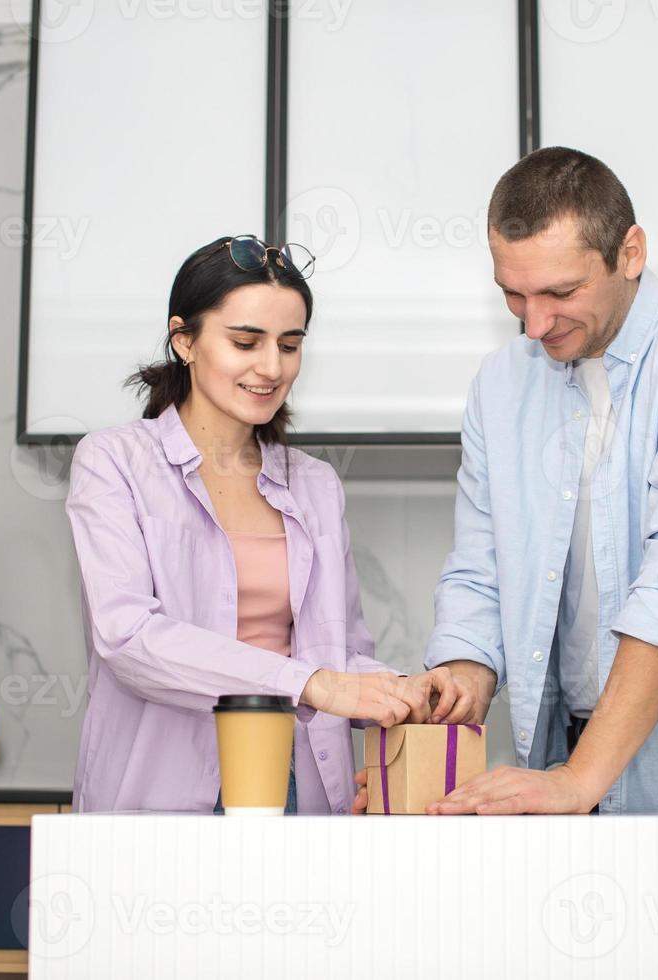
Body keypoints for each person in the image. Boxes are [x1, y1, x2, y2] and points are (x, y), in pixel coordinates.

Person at [373, 147, 658, 814]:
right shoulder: (501, 382)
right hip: (560, 753)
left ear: (628, 253)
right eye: (512, 295)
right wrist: (465, 668)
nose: (534, 324)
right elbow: (480, 569)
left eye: (560, 293)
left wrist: (580, 778)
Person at [67, 235, 452, 814]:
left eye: (290, 345)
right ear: (184, 340)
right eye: (245, 341)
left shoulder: (316, 484)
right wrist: (309, 683)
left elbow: (338, 653)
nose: (271, 368)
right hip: (161, 794)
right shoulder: (114, 462)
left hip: (300, 787)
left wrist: (399, 688)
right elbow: (129, 638)